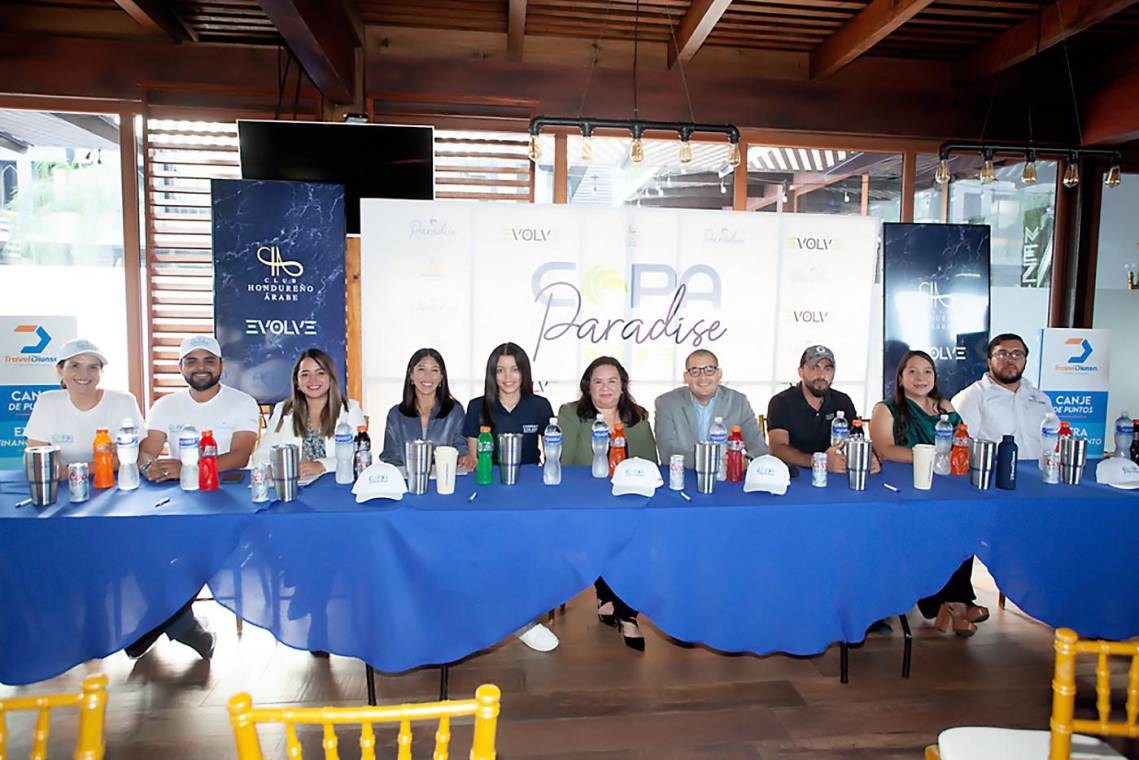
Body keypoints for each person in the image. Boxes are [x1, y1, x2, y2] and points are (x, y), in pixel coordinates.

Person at [129, 335, 261, 660]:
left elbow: (241, 456)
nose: (200, 368)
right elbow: (147, 451)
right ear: (181, 368)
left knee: (200, 547)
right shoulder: (165, 405)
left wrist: (186, 466)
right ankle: (180, 625)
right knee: (142, 542)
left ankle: (165, 623)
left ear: (221, 366)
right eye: (192, 361)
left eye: (207, 360)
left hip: (230, 492)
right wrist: (150, 467)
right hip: (179, 494)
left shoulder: (242, 402)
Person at [869, 350, 987, 637]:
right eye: (912, 371)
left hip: (947, 488)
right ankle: (955, 603)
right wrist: (931, 457)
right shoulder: (886, 409)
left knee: (965, 522)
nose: (920, 378)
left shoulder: (944, 407)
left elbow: (964, 443)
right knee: (932, 528)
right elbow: (885, 450)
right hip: (904, 490)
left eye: (927, 372)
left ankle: (955, 603)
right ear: (900, 377)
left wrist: (957, 454)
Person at [462, 341, 559, 653]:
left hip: (528, 492)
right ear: (492, 374)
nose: (507, 376)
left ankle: (524, 618)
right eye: (500, 370)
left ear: (524, 372)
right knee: (488, 552)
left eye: (514, 369)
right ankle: (505, 617)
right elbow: (475, 459)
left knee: (532, 553)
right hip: (490, 490)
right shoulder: (478, 406)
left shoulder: (540, 405)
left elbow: (553, 451)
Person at [557, 356, 657, 651]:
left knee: (638, 533)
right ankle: (609, 599)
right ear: (587, 387)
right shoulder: (570, 413)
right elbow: (567, 462)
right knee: (605, 529)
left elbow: (649, 463)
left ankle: (625, 612)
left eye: (612, 380)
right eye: (597, 381)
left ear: (622, 385)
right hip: (584, 497)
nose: (605, 388)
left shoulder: (637, 417)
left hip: (627, 497)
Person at [24, 339, 143, 475]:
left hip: (113, 482)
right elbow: (38, 458)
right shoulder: (47, 401)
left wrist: (68, 472)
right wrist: (69, 473)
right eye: (75, 366)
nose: (84, 374)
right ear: (59, 369)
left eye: (93, 367)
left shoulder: (123, 401)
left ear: (101, 372)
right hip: (60, 486)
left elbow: (125, 458)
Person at [767, 345, 880, 474]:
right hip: (794, 478)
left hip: (837, 477)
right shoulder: (781, 402)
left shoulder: (842, 401)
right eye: (814, 368)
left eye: (827, 368)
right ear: (800, 372)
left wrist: (868, 458)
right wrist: (818, 461)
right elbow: (777, 448)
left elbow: (856, 439)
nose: (821, 375)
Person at [255, 348, 365, 479]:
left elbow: (361, 457)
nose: (313, 380)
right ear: (297, 382)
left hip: (336, 485)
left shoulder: (349, 409)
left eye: (320, 373)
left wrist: (322, 465)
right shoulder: (283, 409)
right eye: (305, 374)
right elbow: (261, 455)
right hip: (295, 485)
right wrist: (274, 468)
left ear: (331, 378)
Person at [951, 333, 1055, 461]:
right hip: (994, 476)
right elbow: (961, 446)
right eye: (1002, 354)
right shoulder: (971, 397)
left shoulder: (1040, 398)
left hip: (1040, 474)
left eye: (1017, 354)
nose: (1010, 359)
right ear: (989, 361)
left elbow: (1055, 439)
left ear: (1025, 361)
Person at [654, 348, 767, 465]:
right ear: (686, 377)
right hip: (683, 477)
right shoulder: (666, 403)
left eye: (709, 370)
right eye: (695, 371)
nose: (703, 377)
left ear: (719, 374)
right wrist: (714, 461)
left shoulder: (738, 402)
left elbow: (759, 448)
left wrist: (745, 461)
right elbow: (667, 454)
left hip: (727, 478)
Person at [380, 348, 472, 469]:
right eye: (421, 369)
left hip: (445, 482)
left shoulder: (454, 412)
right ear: (411, 375)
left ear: (441, 378)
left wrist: (464, 458)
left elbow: (461, 449)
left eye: (434, 370)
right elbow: (391, 458)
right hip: (406, 482)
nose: (428, 376)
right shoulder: (395, 415)